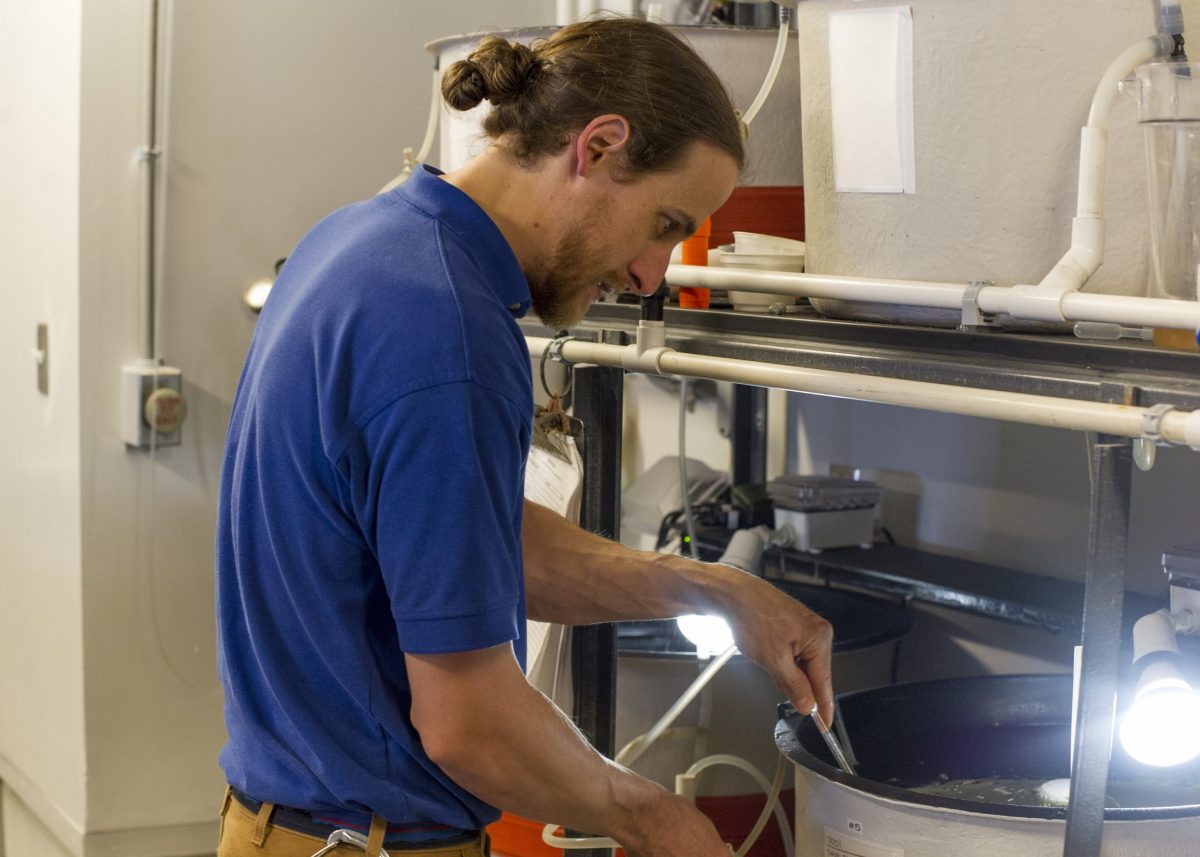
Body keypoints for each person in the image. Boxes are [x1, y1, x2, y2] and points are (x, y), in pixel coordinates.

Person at [215, 16, 833, 857]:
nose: (653, 275)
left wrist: (715, 588)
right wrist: (656, 818)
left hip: (285, 825)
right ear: (601, 146)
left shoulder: (363, 241)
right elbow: (468, 724)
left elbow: (463, 544)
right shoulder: (447, 326)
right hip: (372, 841)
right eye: (665, 222)